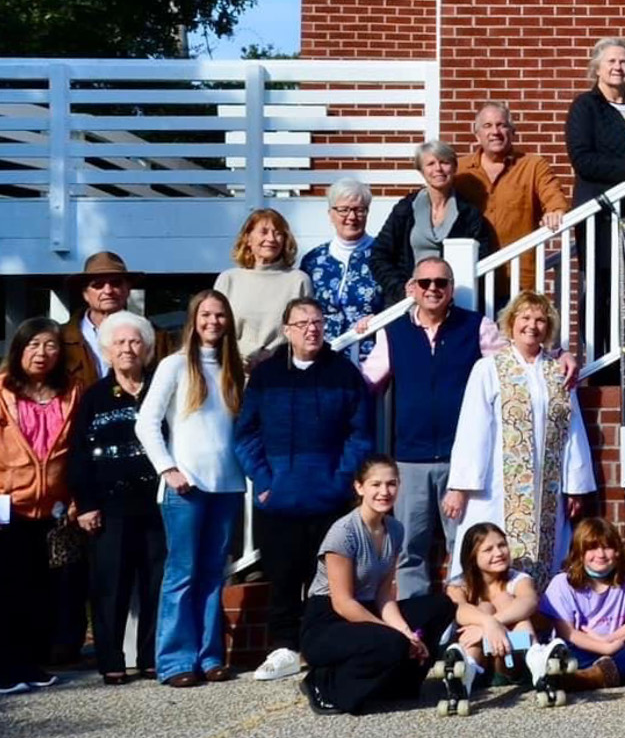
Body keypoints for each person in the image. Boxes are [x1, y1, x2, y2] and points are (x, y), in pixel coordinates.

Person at [360, 257, 528, 599]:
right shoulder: (393, 332)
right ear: (412, 289)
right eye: (425, 283)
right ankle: (416, 630)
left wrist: (559, 355)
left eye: (441, 282)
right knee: (409, 550)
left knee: (468, 549)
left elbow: (515, 365)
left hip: (462, 461)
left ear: (451, 289)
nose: (432, 289)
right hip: (409, 459)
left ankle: (467, 626)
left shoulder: (476, 327)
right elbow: (363, 383)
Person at [234, 297, 372, 683]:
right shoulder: (266, 377)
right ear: (287, 330)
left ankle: (321, 649)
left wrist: (341, 480)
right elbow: (245, 435)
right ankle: (283, 649)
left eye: (317, 322)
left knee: (328, 583)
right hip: (278, 501)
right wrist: (263, 482)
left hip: (328, 501)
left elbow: (360, 436)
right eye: (302, 323)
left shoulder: (343, 375)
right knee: (282, 578)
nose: (311, 329)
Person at [0, 317, 78, 695]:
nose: (42, 354)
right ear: (19, 349)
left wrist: (73, 498)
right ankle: (3, 668)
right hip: (0, 507)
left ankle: (30, 663)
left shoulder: (71, 392)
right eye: (33, 346)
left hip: (50, 510)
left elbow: (76, 452)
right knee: (3, 591)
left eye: (50, 346)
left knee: (40, 591)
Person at [135, 289, 248, 687]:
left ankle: (210, 655)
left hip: (227, 487)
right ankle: (175, 661)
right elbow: (145, 423)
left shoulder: (235, 369)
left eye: (220, 315)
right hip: (186, 488)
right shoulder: (174, 365)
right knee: (182, 573)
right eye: (206, 315)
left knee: (213, 574)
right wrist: (168, 469)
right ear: (193, 320)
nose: (213, 322)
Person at [444, 291, 593, 586]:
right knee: (491, 553)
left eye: (540, 320)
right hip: (495, 487)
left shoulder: (558, 372)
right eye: (525, 317)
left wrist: (576, 486)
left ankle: (536, 619)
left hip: (546, 487)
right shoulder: (489, 369)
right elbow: (473, 429)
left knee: (546, 558)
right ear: (511, 322)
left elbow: (573, 429)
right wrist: (460, 486)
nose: (532, 325)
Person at [297, 455, 459, 715]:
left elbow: (384, 594)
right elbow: (343, 602)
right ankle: (324, 683)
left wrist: (406, 632)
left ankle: (396, 684)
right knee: (391, 641)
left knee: (440, 606)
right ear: (359, 487)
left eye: (391, 484)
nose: (384, 491)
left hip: (367, 610)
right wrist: (396, 636)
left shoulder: (394, 529)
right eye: (376, 485)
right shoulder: (344, 532)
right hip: (328, 620)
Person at [68, 311, 163, 685]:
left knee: (156, 582)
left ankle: (152, 657)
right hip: (110, 508)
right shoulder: (93, 397)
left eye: (135, 341)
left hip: (157, 504)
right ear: (107, 352)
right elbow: (77, 454)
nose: (128, 349)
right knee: (111, 585)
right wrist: (86, 503)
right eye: (120, 343)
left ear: (147, 349)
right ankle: (111, 660)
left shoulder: (161, 388)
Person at [541, 516, 625, 688]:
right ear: (580, 552)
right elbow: (567, 632)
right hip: (581, 649)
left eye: (607, 547)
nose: (601, 554)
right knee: (562, 657)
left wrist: (608, 640)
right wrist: (603, 648)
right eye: (592, 548)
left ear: (617, 550)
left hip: (620, 646)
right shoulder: (562, 583)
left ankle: (598, 676)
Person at [453, 102, 567, 281]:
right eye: (487, 126)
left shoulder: (533, 166)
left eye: (502, 125)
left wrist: (555, 212)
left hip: (519, 279)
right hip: (470, 277)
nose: (495, 132)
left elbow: (554, 198)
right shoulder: (459, 170)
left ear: (512, 131)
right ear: (477, 135)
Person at [370, 140, 498, 294]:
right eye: (430, 164)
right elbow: (379, 255)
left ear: (454, 167)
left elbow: (481, 260)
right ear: (421, 170)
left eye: (444, 162)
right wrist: (401, 287)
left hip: (454, 298)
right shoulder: (406, 208)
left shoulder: (469, 214)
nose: (438, 169)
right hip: (408, 300)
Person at [444, 523, 548, 691]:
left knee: (505, 599)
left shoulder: (519, 579)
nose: (498, 553)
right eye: (488, 550)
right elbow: (459, 610)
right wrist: (487, 623)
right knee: (484, 607)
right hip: (480, 662)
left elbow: (529, 602)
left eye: (502, 545)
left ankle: (537, 660)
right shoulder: (458, 585)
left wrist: (490, 624)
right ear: (472, 556)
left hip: (513, 661)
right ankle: (465, 672)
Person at [564, 37, 625, 206]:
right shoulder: (585, 106)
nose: (617, 67)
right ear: (597, 69)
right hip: (601, 208)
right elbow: (583, 160)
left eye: (624, 62)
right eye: (611, 61)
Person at [299, 179, 386, 359]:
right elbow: (302, 308)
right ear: (330, 213)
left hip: (369, 358)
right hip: (321, 357)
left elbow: (397, 303)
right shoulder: (314, 259)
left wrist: (378, 320)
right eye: (344, 209)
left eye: (359, 209)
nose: (352, 217)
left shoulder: (384, 255)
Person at [214, 208, 310, 368]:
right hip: (234, 372)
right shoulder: (228, 279)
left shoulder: (298, 280)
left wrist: (273, 356)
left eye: (278, 233)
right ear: (248, 238)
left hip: (281, 374)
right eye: (264, 232)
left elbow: (305, 332)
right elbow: (216, 329)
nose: (271, 238)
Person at [60, 250, 143, 390]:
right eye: (98, 285)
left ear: (128, 289)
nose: (108, 291)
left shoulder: (154, 337)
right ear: (85, 293)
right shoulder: (59, 338)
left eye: (116, 283)